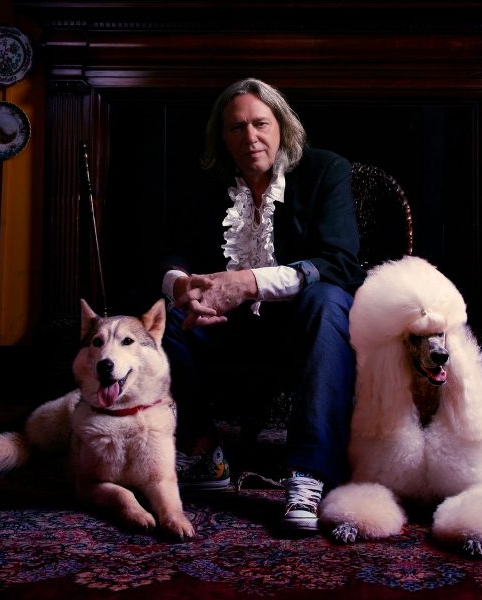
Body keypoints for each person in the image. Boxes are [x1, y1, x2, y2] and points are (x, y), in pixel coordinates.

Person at [159, 78, 365, 532]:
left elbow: (339, 262)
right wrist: (181, 286)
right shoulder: (204, 185)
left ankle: (308, 474)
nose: (249, 137)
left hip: (301, 336)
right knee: (167, 320)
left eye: (259, 124)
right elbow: (173, 253)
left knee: (329, 300)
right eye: (236, 128)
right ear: (222, 137)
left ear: (282, 127)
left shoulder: (325, 171)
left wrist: (248, 282)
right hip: (228, 335)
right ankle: (205, 452)